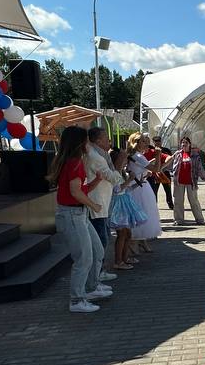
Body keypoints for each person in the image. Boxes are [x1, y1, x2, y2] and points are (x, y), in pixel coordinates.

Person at [49, 126, 110, 314]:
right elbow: (75, 192)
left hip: (79, 214)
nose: (88, 144)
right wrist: (94, 206)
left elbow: (79, 189)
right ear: (79, 143)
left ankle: (91, 288)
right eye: (86, 140)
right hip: (73, 215)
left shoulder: (74, 162)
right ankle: (77, 299)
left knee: (97, 250)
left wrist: (96, 182)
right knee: (83, 258)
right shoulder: (74, 163)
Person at [107, 147, 148, 270]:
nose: (126, 162)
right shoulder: (113, 173)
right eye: (123, 159)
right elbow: (117, 190)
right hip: (119, 206)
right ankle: (118, 261)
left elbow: (126, 189)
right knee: (122, 234)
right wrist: (130, 180)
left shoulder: (121, 173)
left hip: (125, 203)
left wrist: (137, 183)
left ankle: (125, 258)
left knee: (127, 233)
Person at [84, 127, 120, 260]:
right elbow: (114, 178)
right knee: (101, 240)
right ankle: (97, 273)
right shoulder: (96, 157)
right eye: (106, 139)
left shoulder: (99, 154)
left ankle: (99, 271)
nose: (109, 142)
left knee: (104, 237)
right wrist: (120, 162)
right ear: (98, 141)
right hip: (96, 204)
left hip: (101, 204)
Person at [125, 133, 162, 254]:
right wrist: (158, 156)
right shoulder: (138, 156)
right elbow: (156, 169)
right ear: (136, 143)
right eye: (143, 142)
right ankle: (134, 242)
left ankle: (140, 241)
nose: (146, 144)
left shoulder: (136, 155)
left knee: (143, 212)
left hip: (140, 186)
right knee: (141, 213)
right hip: (138, 189)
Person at [168, 135, 205, 226]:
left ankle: (199, 219)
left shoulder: (194, 155)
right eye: (182, 143)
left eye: (186, 143)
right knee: (178, 201)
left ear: (189, 144)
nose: (184, 144)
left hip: (191, 182)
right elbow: (170, 163)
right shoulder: (177, 154)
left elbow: (200, 168)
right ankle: (179, 220)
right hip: (179, 181)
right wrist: (161, 168)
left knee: (194, 201)